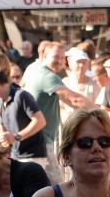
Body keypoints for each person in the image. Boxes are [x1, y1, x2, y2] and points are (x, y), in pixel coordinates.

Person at [21, 41, 98, 184]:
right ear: (44, 54)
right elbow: (73, 99)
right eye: (56, 57)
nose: (59, 61)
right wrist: (101, 114)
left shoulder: (32, 68)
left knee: (42, 186)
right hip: (40, 141)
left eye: (62, 58)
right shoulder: (47, 76)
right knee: (57, 187)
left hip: (34, 140)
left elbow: (21, 87)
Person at [0, 67, 46, 163]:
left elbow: (40, 121)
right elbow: (2, 134)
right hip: (15, 157)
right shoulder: (0, 103)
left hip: (33, 156)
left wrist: (16, 137)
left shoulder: (21, 95)